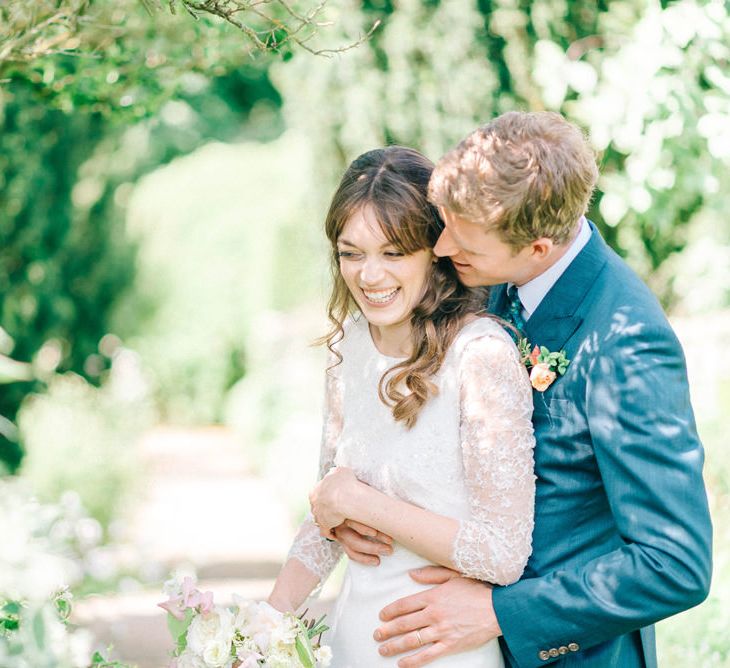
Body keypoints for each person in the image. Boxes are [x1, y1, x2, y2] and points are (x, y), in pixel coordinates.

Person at [334, 111, 713, 667]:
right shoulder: (487, 282)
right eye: (444, 224)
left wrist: (502, 613)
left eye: (464, 242)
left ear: (537, 247)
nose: (440, 249)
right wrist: (358, 516)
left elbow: (674, 564)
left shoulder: (625, 342)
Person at [267, 145, 537, 667]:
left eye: (393, 253)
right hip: (353, 644)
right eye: (351, 253)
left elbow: (501, 554)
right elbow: (328, 516)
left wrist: (358, 502)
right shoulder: (350, 344)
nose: (370, 276)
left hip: (442, 650)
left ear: (433, 252)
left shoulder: (480, 356)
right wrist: (260, 629)